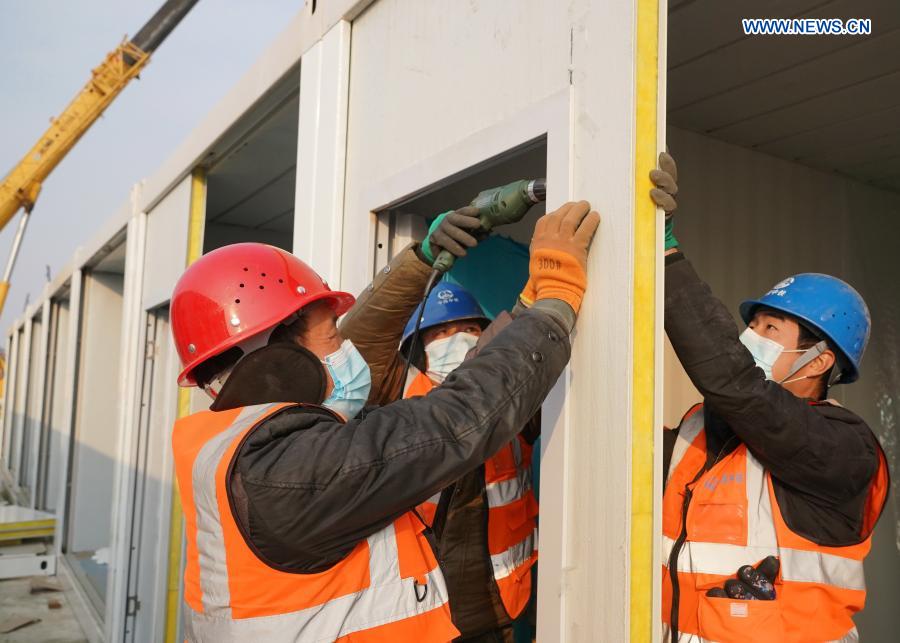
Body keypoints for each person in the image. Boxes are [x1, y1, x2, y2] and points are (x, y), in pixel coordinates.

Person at [169, 200, 599, 641]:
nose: (346, 351)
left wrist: (502, 293)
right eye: (333, 335)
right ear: (281, 361)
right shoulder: (290, 470)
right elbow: (456, 422)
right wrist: (555, 298)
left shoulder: (236, 448)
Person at [650, 153, 889, 643]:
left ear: (820, 361)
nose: (750, 335)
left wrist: (666, 254)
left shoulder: (842, 447)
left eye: (770, 328)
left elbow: (739, 388)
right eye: (753, 323)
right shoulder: (703, 425)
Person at [345, 276, 538, 642]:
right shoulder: (394, 401)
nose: (458, 338)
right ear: (417, 347)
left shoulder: (509, 404)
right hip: (424, 610)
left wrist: (529, 305)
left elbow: (508, 358)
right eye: (442, 332)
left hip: (503, 603)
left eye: (469, 328)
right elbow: (362, 342)